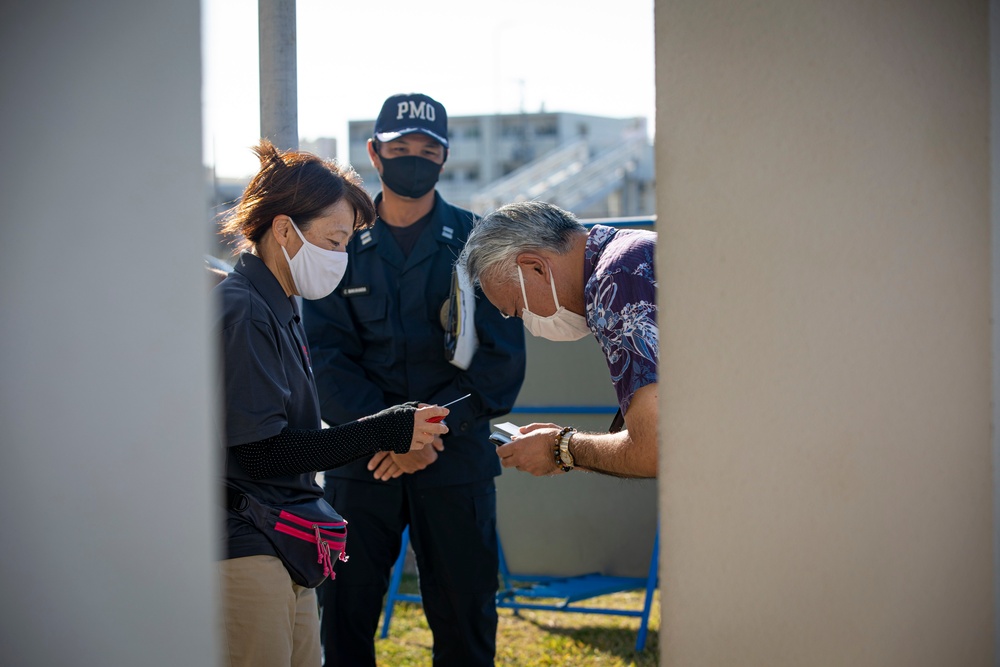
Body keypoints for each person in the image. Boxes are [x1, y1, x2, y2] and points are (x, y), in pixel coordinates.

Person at [302, 93, 526, 667]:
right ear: (374, 154)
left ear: (445, 158)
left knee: (465, 618)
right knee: (345, 620)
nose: (414, 159)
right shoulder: (338, 243)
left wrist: (421, 436)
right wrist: (391, 435)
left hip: (454, 461)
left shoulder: (484, 244)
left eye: (429, 149)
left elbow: (499, 366)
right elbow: (325, 358)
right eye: (401, 148)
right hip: (363, 460)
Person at [214, 139, 450, 667]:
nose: (341, 258)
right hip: (247, 542)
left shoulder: (277, 304)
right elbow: (260, 455)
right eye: (335, 241)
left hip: (281, 543)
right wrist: (384, 430)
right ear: (282, 229)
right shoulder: (246, 310)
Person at [459, 200, 658, 479]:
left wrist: (559, 447)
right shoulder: (629, 252)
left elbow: (653, 449)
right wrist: (562, 448)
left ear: (535, 267)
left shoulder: (612, 281)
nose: (528, 324)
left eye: (517, 310)